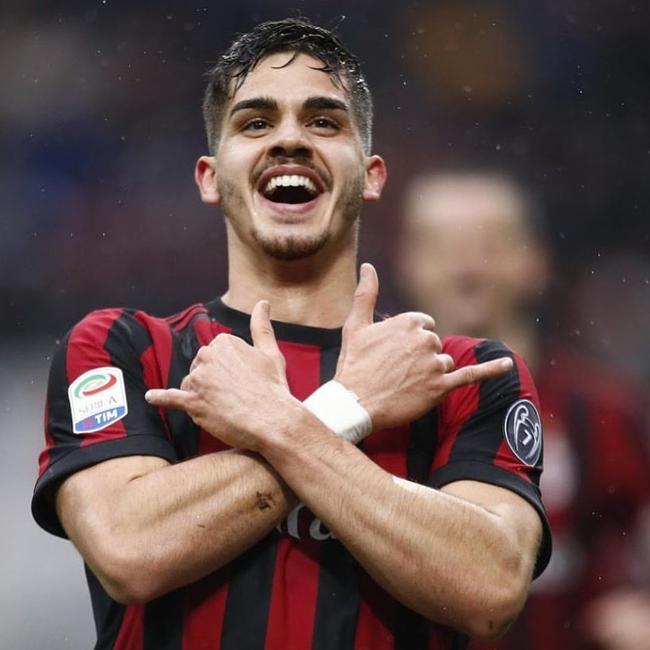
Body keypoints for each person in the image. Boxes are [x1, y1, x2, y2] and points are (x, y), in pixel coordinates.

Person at [32, 20, 551, 650]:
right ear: (208, 177)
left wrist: (281, 425)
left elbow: (490, 590)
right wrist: (349, 408)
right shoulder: (123, 348)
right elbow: (129, 552)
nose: (289, 139)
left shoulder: (461, 373)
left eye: (324, 122)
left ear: (373, 175)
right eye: (255, 123)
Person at [397, 168, 650, 650]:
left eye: (489, 244)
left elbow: (634, 540)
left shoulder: (604, 411)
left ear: (536, 261)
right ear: (407, 262)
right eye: (442, 246)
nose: (466, 267)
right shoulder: (372, 408)